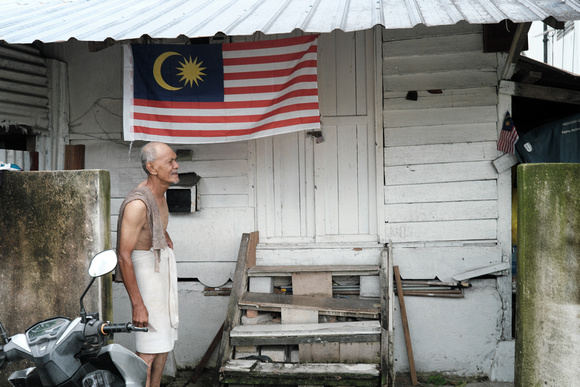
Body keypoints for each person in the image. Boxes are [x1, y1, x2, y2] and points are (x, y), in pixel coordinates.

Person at [116, 142, 180, 387]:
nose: (176, 166)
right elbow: (124, 255)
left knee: (164, 343)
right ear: (152, 168)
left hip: (160, 271)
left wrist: (163, 235)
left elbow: (153, 228)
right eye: (170, 162)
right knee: (149, 349)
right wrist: (138, 305)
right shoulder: (138, 204)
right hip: (146, 275)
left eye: (175, 160)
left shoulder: (160, 195)